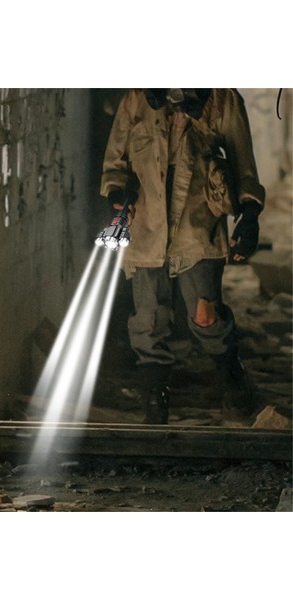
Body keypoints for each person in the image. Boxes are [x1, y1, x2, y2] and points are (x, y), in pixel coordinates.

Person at [100, 89, 265, 424]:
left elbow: (242, 160)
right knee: (148, 321)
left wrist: (249, 215)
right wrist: (117, 191)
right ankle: (155, 410)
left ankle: (233, 378)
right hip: (147, 225)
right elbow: (115, 158)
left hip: (198, 221)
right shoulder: (138, 97)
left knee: (205, 317)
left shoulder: (220, 97)